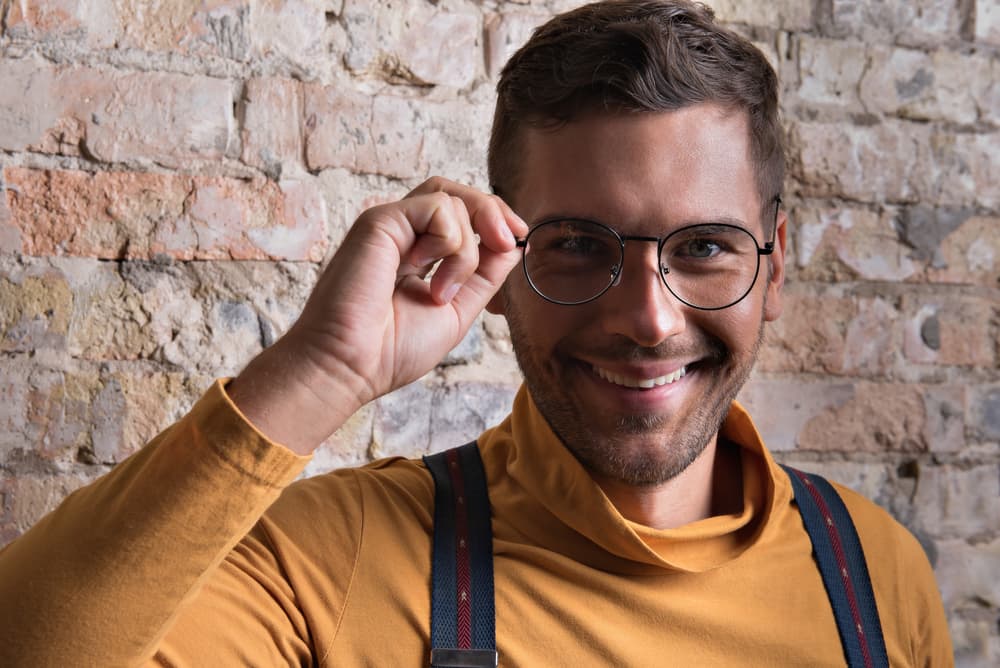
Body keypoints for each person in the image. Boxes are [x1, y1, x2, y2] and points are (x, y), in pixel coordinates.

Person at [0, 1, 952, 665]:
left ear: (774, 266)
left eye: (705, 247)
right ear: (500, 266)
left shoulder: (871, 574)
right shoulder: (333, 560)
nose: (649, 319)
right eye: (578, 247)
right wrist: (322, 369)